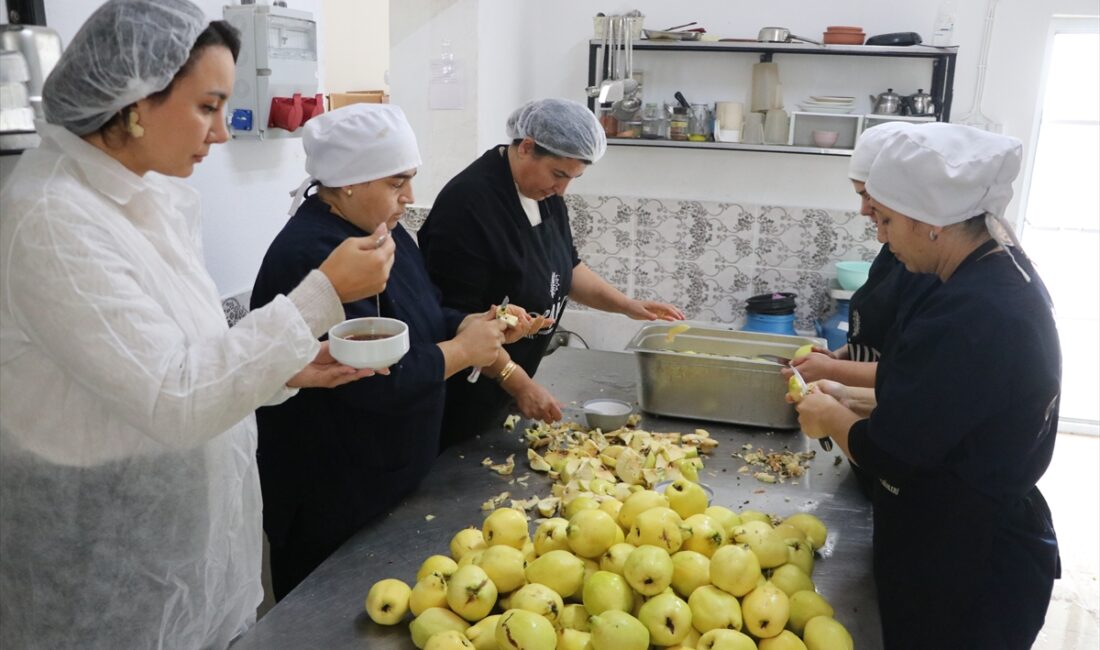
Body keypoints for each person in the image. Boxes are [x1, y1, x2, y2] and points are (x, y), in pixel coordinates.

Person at [0, 2, 397, 648]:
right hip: (104, 558)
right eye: (207, 107)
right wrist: (321, 295)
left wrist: (283, 366)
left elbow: (190, 356)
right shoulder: (52, 219)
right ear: (134, 102)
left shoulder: (143, 197)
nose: (221, 135)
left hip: (183, 549)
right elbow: (174, 398)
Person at [792, 123, 1061, 649]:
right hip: (959, 532)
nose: (881, 236)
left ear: (932, 223)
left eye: (887, 220)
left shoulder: (976, 311)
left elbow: (891, 453)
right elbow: (936, 395)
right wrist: (853, 396)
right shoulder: (984, 277)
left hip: (969, 563)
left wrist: (829, 416)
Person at [250, 103, 529, 599]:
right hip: (334, 492)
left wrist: (469, 324)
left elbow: (421, 315)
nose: (410, 197)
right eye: (397, 183)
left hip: (392, 474)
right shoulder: (313, 256)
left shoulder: (385, 233)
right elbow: (372, 378)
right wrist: (463, 352)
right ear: (350, 181)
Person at [417, 98, 685, 448]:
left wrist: (626, 305)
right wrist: (518, 382)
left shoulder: (543, 193)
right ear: (527, 147)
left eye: (573, 178)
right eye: (559, 175)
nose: (562, 189)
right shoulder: (468, 205)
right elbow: (455, 320)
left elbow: (567, 267)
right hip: (462, 396)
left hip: (503, 392)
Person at [784, 122, 938, 388]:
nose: (864, 209)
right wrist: (839, 358)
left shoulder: (925, 265)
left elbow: (913, 372)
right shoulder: (892, 252)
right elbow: (879, 341)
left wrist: (834, 370)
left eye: (869, 196)